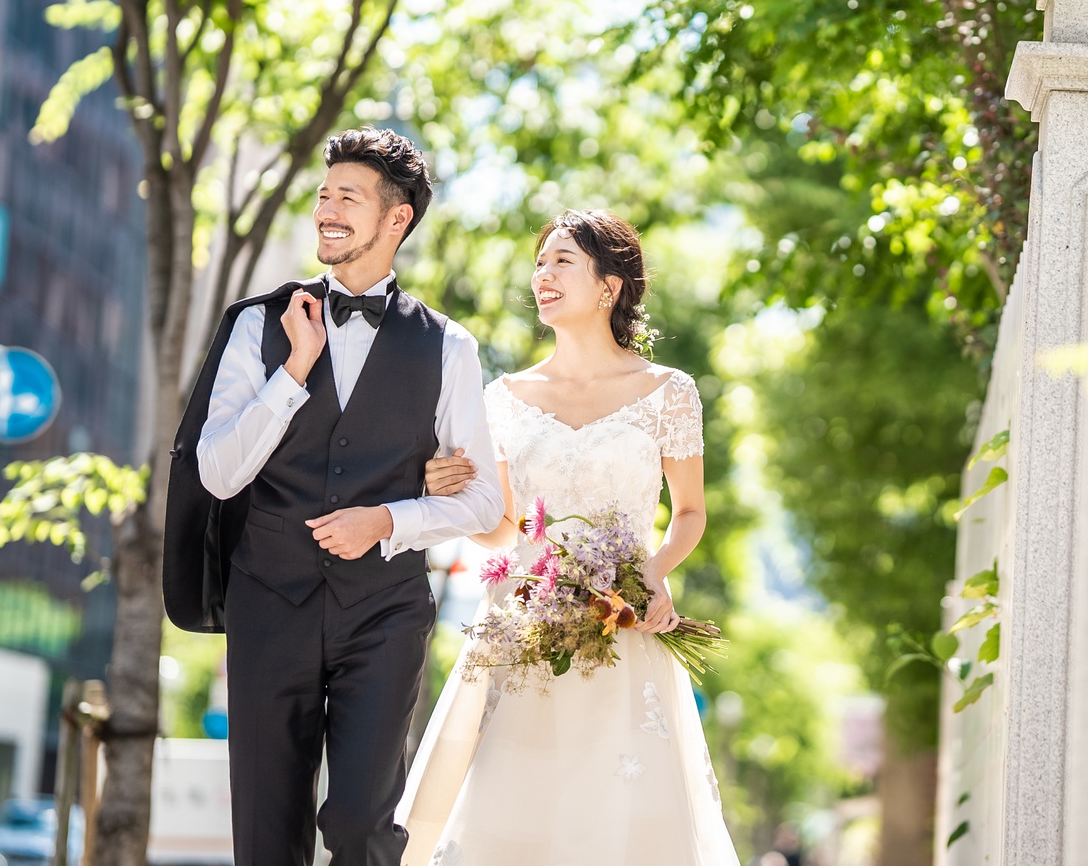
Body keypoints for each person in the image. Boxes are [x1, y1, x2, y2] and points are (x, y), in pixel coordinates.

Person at [162, 127, 504, 866]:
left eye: (348, 196)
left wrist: (389, 518)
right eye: (323, 195)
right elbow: (217, 472)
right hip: (268, 602)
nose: (327, 208)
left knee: (358, 823)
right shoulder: (260, 324)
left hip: (382, 612)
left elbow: (482, 504)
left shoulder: (449, 347)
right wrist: (293, 374)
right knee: (266, 834)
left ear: (396, 220)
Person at [398, 209, 741, 866]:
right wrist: (447, 496)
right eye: (539, 262)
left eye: (562, 261)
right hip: (521, 629)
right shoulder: (502, 397)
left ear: (609, 286)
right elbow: (502, 529)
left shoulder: (669, 392)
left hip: (625, 628)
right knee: (509, 814)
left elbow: (690, 512)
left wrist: (652, 574)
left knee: (622, 819)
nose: (542, 275)